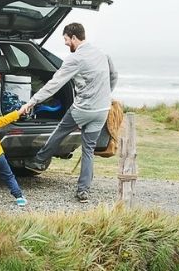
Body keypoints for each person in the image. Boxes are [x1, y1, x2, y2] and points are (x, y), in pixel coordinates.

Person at [20, 22, 117, 203]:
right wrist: (105, 95)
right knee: (88, 150)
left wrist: (32, 102)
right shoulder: (102, 54)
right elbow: (114, 76)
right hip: (102, 110)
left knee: (59, 132)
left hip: (83, 109)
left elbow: (54, 83)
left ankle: (38, 161)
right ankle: (83, 191)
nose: (65, 43)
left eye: (66, 39)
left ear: (73, 37)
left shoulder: (75, 58)